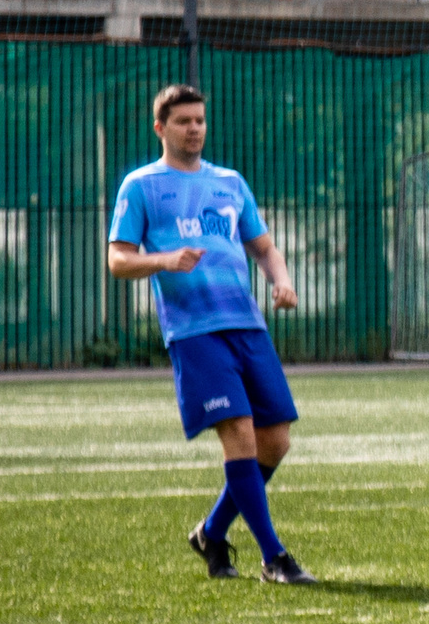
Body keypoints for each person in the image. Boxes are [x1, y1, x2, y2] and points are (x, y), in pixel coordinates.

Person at [109, 84, 315, 584]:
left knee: (277, 441)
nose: (194, 128)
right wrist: (163, 260)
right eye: (183, 121)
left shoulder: (229, 182)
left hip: (247, 324)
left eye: (200, 120)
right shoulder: (141, 185)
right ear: (160, 128)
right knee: (240, 435)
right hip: (194, 330)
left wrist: (282, 282)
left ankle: (211, 531)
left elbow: (264, 248)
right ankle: (275, 558)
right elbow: (118, 260)